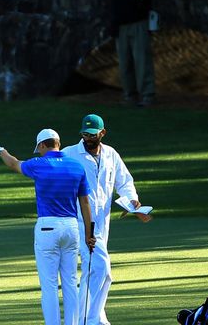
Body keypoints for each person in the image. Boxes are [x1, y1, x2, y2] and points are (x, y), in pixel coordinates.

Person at [0, 128, 97, 325]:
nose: (38, 152)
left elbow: (13, 163)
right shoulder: (76, 166)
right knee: (71, 283)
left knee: (49, 286)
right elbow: (85, 203)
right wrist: (90, 235)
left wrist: (0, 151)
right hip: (72, 227)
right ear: (58, 142)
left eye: (38, 148)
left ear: (42, 145)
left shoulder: (39, 164)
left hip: (48, 227)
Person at [61, 114, 150, 325]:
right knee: (99, 267)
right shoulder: (69, 154)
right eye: (84, 134)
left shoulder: (111, 154)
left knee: (103, 272)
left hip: (103, 221)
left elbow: (124, 182)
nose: (88, 138)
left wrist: (133, 202)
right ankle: (84, 320)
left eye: (92, 134)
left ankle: (96, 316)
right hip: (80, 221)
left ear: (102, 133)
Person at [102, 0, 156, 107]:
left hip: (139, 22)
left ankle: (146, 94)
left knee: (141, 60)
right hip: (121, 24)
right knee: (125, 63)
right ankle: (129, 94)